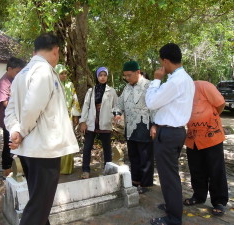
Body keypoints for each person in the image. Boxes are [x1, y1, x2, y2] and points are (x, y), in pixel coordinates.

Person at [5, 33, 79, 225]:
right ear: (56, 51)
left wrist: (14, 130)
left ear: (34, 50)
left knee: (39, 202)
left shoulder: (21, 74)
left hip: (30, 149)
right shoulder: (44, 71)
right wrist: (20, 132)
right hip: (43, 149)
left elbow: (11, 110)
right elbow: (32, 107)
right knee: (39, 206)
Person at [145, 43, 195, 225]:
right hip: (174, 131)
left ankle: (174, 218)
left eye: (161, 62)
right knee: (169, 172)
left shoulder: (175, 81)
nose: (161, 67)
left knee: (169, 175)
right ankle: (172, 206)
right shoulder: (186, 79)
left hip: (169, 133)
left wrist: (157, 80)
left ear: (165, 61)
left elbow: (151, 102)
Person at [184, 81, 228, 216]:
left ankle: (219, 201)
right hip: (192, 138)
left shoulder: (203, 86)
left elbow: (220, 104)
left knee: (215, 169)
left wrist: (210, 118)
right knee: (195, 168)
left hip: (211, 135)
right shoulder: (178, 92)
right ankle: (198, 196)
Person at [114, 61, 154, 194]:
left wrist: (155, 125)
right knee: (133, 155)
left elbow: (155, 107)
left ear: (138, 72)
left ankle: (146, 184)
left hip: (144, 125)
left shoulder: (149, 86)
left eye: (129, 75)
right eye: (125, 76)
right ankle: (135, 180)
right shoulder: (127, 88)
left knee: (145, 156)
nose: (127, 78)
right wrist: (118, 114)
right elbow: (119, 103)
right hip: (130, 127)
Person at [79, 67, 118, 179]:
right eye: (100, 75)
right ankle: (85, 170)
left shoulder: (112, 91)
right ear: (97, 76)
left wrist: (114, 116)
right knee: (87, 147)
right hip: (92, 121)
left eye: (104, 75)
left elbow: (116, 106)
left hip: (105, 121)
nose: (102, 77)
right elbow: (86, 106)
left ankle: (108, 169)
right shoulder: (91, 91)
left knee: (107, 147)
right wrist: (83, 121)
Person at [0, 57, 25, 177]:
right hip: (8, 120)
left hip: (17, 118)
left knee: (15, 143)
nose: (20, 74)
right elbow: (4, 102)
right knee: (8, 144)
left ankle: (16, 168)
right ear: (9, 69)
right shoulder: (4, 82)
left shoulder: (15, 80)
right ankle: (6, 169)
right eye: (18, 72)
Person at [54, 64, 81, 174]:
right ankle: (56, 168)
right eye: (61, 73)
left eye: (65, 73)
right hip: (55, 118)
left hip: (68, 117)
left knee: (67, 141)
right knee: (56, 141)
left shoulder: (70, 85)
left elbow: (75, 100)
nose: (64, 75)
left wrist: (75, 115)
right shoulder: (53, 85)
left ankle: (66, 168)